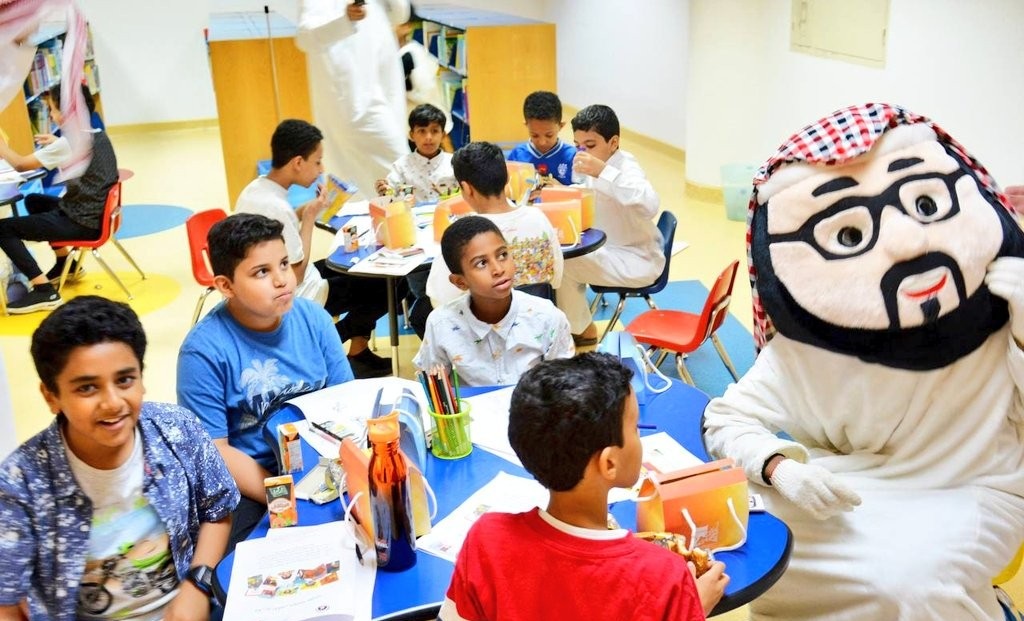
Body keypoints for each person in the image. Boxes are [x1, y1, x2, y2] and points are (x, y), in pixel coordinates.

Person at [703, 103, 1024, 620]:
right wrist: (779, 467)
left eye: (923, 203)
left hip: (972, 485)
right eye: (849, 235)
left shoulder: (998, 309)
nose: (904, 241)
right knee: (753, 540)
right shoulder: (809, 349)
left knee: (915, 586)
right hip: (854, 483)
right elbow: (723, 419)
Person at [0, 296, 239, 621]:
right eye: (87, 388)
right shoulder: (18, 484)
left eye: (125, 380)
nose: (112, 403)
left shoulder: (178, 430)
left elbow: (217, 511)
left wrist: (197, 585)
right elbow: (7, 603)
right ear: (51, 396)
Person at [438, 352, 729, 620]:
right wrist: (692, 608)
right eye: (635, 427)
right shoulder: (665, 576)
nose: (639, 435)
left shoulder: (485, 539)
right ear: (609, 464)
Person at [177, 213, 353, 547]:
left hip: (325, 466)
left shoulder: (314, 319)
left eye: (284, 264)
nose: (282, 280)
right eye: (262, 272)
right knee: (241, 563)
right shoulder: (202, 352)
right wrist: (285, 497)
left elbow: (345, 403)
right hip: (253, 480)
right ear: (225, 286)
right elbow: (218, 451)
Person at [235, 119, 392, 378]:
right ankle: (330, 340)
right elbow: (294, 276)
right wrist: (308, 219)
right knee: (385, 286)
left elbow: (278, 224)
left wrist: (311, 208)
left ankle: (358, 353)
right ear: (298, 162)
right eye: (317, 161)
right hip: (299, 294)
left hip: (267, 285)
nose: (321, 169)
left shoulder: (257, 189)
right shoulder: (277, 206)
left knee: (358, 270)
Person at [0, 82, 118, 313]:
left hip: (81, 222)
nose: (51, 115)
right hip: (95, 214)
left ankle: (44, 290)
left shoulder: (69, 143)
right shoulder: (96, 134)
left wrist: (2, 147)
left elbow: (21, 163)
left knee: (2, 229)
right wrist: (58, 144)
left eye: (53, 109)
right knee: (34, 201)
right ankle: (67, 263)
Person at [414, 215, 572, 387]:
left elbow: (563, 388)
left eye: (503, 255)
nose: (498, 269)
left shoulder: (548, 318)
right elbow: (433, 391)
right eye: (481, 263)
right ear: (460, 282)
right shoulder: (440, 324)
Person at [556, 104, 663, 346]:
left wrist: (604, 172)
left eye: (590, 145)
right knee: (561, 256)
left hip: (637, 260)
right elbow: (590, 193)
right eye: (578, 145)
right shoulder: (597, 164)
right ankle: (578, 324)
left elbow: (650, 204)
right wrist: (560, 192)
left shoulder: (626, 166)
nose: (583, 152)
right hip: (616, 249)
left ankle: (582, 331)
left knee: (561, 264)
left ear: (613, 142)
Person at [425, 141, 563, 310]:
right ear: (507, 178)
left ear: (466, 188)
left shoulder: (462, 233)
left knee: (420, 312)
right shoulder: (538, 217)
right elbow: (556, 277)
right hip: (537, 321)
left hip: (483, 327)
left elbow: (440, 297)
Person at [296, 0, 411, 199]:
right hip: (354, 103)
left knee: (386, 178)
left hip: (380, 89)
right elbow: (304, 37)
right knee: (399, 167)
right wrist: (345, 19)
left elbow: (399, 14)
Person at [375, 103, 456, 202]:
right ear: (412, 135)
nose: (428, 137)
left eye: (434, 131)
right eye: (422, 131)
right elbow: (390, 196)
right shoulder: (400, 167)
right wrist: (384, 191)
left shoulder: (455, 163)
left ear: (443, 135)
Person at [507, 91, 576, 187]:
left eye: (549, 135)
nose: (542, 142)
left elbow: (583, 194)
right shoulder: (517, 155)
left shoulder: (573, 157)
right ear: (526, 125)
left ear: (561, 126)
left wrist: (561, 188)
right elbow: (508, 190)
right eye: (535, 135)